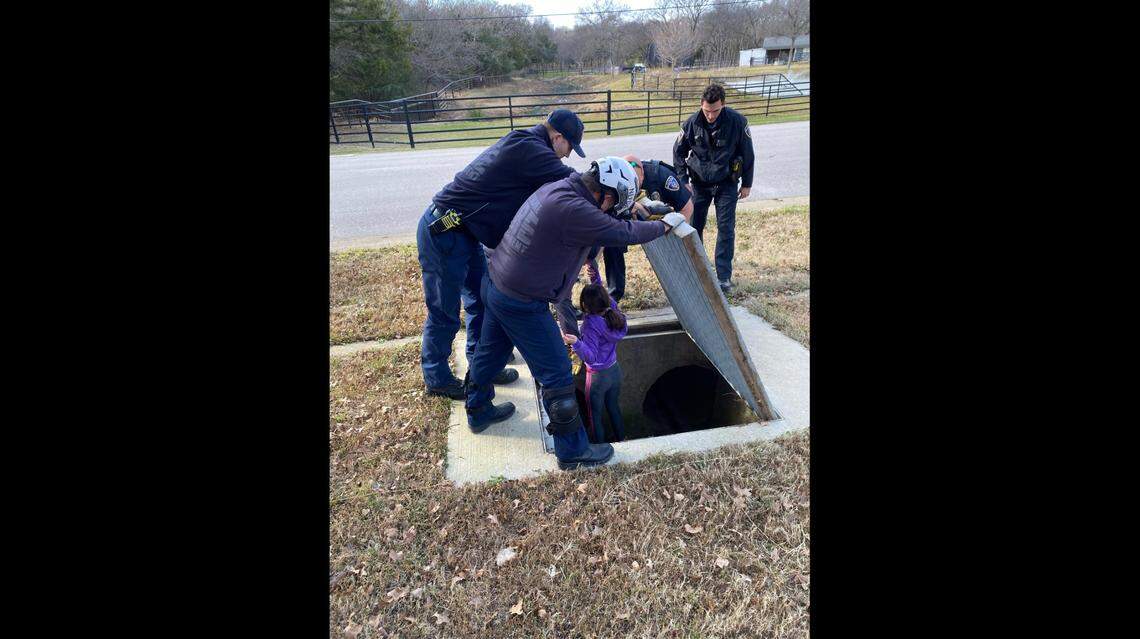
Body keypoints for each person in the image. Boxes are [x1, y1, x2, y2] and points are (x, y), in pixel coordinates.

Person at [463, 156, 686, 471]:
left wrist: (636, 212)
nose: (612, 210)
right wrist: (663, 225)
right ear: (606, 195)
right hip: (523, 300)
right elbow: (622, 233)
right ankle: (573, 452)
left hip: (497, 283)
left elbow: (602, 226)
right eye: (614, 204)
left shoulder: (564, 188)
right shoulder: (578, 210)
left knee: (490, 352)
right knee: (556, 373)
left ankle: (477, 409)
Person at [416, 109, 586, 399]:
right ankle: (436, 378)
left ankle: (482, 365)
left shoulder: (528, 144)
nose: (568, 154)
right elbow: (575, 182)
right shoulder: (530, 148)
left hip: (466, 233)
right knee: (443, 311)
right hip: (444, 230)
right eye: (570, 146)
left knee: (481, 302)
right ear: (557, 137)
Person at [672, 84, 755, 294]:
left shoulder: (738, 122)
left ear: (723, 105)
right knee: (694, 227)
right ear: (701, 105)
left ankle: (724, 277)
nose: (710, 115)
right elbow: (678, 153)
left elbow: (748, 154)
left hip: (727, 183)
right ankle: (698, 271)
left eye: (715, 111)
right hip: (699, 184)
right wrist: (683, 181)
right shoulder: (691, 123)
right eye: (707, 110)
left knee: (726, 229)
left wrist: (747, 183)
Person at [561, 266, 628, 444]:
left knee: (594, 416)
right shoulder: (613, 310)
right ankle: (623, 440)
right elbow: (602, 296)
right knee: (613, 407)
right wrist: (596, 278)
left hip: (598, 378)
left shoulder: (590, 325)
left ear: (585, 306)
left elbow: (590, 356)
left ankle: (599, 447)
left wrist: (575, 342)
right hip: (615, 371)